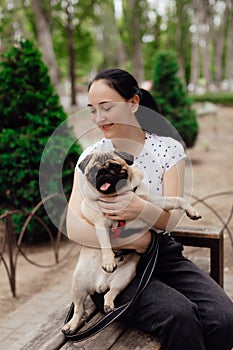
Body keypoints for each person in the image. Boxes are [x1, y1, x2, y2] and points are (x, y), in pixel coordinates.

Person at [66, 68, 233, 350]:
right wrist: (133, 240)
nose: (98, 118)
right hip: (107, 266)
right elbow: (73, 227)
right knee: (180, 317)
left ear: (133, 102)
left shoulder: (168, 149)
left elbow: (170, 222)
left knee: (224, 317)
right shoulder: (90, 158)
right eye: (92, 110)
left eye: (106, 108)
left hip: (162, 253)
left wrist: (140, 208)